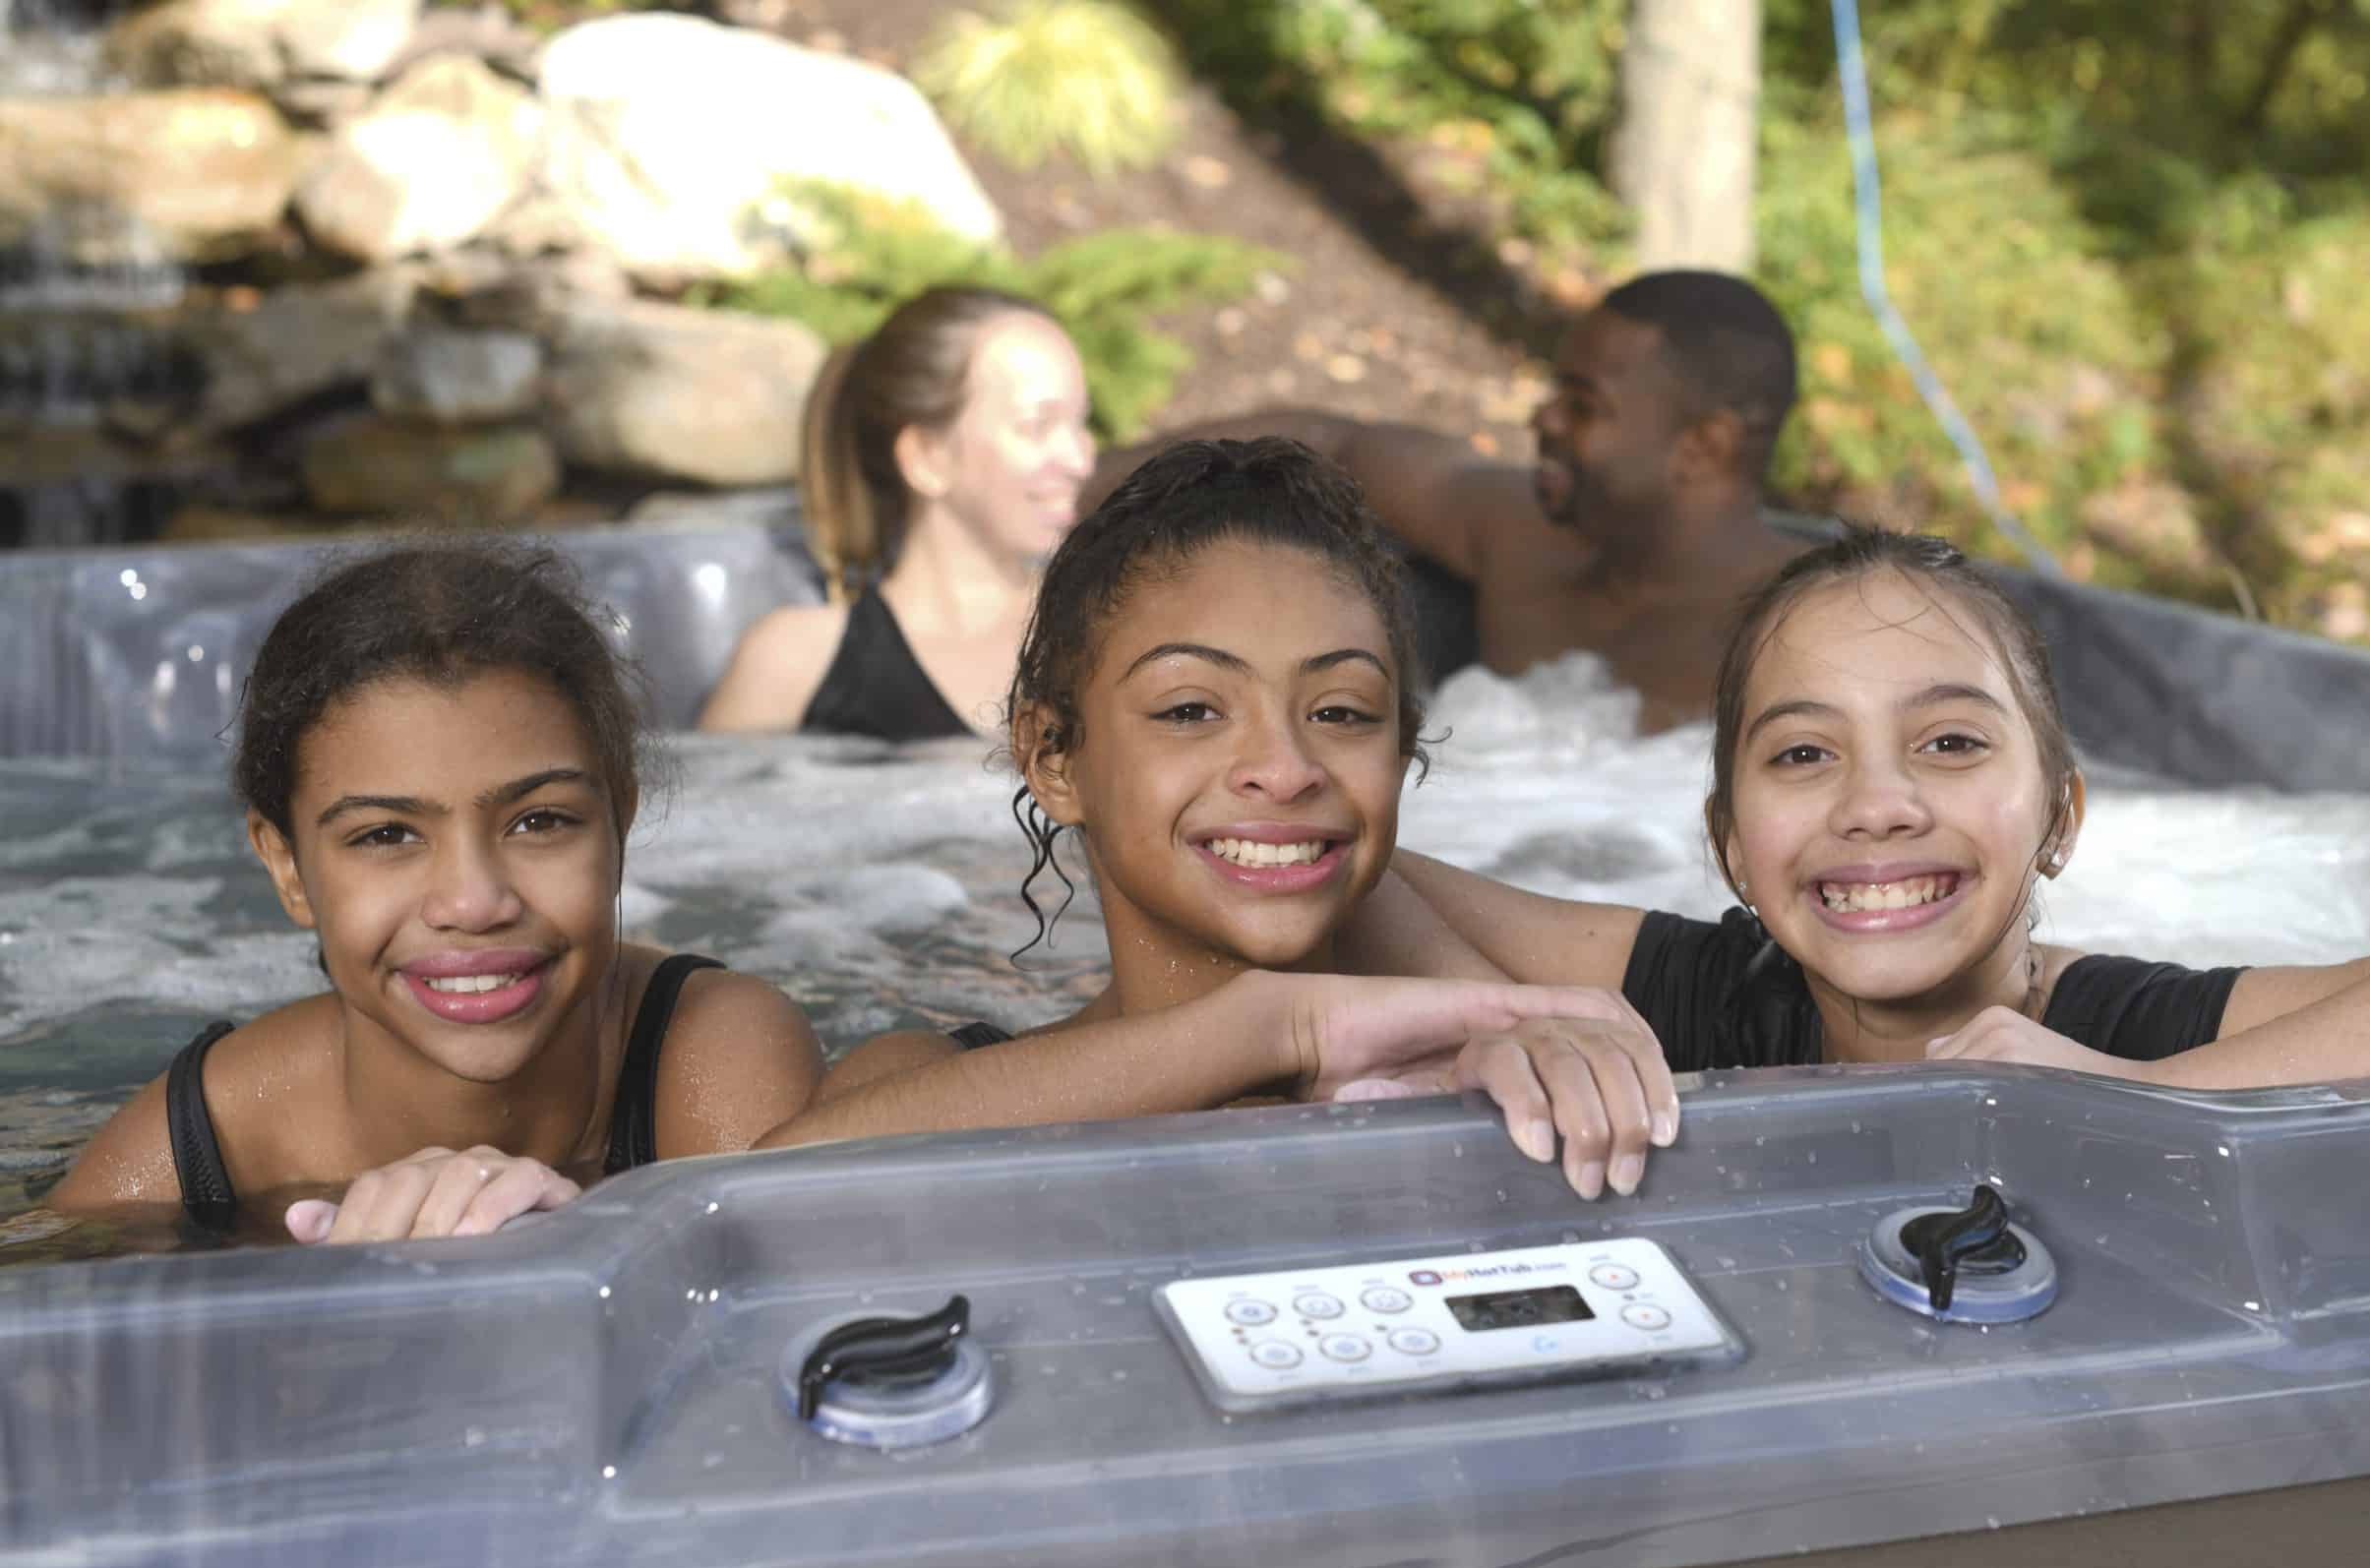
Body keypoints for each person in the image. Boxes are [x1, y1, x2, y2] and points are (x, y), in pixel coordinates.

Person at [754, 439, 1681, 1199]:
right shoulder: (927, 1084)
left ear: (1401, 754)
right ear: (1054, 759)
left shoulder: (1514, 1076)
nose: (1284, 770)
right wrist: (1277, 1028)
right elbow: (766, 1197)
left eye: (1342, 712)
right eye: (1191, 709)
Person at [1345, 527, 2370, 1086]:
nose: (1878, 804)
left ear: (2061, 815)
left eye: (1949, 741)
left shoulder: (2119, 1028)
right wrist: (1502, 1028)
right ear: (1728, 846)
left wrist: (2135, 1096)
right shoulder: (1704, 1001)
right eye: (1803, 753)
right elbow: (1332, 873)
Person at [49, 539, 827, 1243]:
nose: (473, 901)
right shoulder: (200, 1148)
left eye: (541, 821)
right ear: (287, 867)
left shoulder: (710, 1061)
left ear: (619, 820)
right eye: (386, 835)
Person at [1083, 271, 1807, 730]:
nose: (1544, 419)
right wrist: (1060, 496)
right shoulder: (1518, 531)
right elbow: (1323, 446)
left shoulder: (1806, 626)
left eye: (1583, 405)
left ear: (1705, 445)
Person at [699, 286, 1096, 740]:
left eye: (1081, 423)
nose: (1080, 460)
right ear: (927, 457)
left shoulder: (1111, 630)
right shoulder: (795, 663)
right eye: (1036, 426)